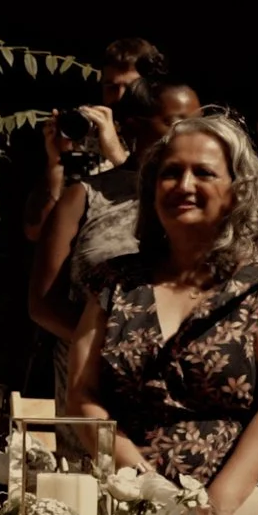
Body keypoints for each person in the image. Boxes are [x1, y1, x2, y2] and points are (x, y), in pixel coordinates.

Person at [70, 113, 258, 515]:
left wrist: (217, 506)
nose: (184, 185)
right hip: (128, 501)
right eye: (171, 173)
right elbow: (82, 392)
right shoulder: (113, 280)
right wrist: (131, 474)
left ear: (238, 190)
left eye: (204, 173)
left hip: (235, 506)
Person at [28, 76, 201, 394]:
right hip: (94, 379)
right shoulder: (85, 196)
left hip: (185, 382)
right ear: (133, 125)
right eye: (176, 123)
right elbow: (43, 304)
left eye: (198, 122)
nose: (191, 133)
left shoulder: (205, 197)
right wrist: (118, 347)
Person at [22, 37, 167, 243]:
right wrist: (55, 163)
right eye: (111, 87)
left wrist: (115, 151)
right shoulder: (83, 132)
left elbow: (155, 206)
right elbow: (36, 232)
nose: (119, 97)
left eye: (129, 87)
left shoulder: (160, 137)